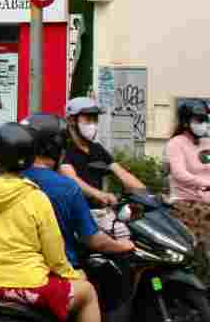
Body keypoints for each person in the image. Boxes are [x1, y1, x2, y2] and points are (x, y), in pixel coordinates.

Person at [0, 121, 102, 322]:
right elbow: (55, 255)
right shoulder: (35, 198)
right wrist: (73, 274)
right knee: (87, 293)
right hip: (25, 287)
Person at [23, 113, 132, 271]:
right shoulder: (66, 187)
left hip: (1, 273)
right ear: (56, 149)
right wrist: (122, 246)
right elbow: (94, 241)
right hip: (57, 271)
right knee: (90, 292)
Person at [63, 96, 147, 226]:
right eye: (88, 119)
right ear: (71, 120)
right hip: (72, 215)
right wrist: (100, 195)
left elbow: (122, 174)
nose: (93, 124)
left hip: (98, 214)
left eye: (95, 119)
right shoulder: (64, 148)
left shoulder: (97, 149)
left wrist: (147, 195)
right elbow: (71, 178)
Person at [165, 98, 210, 240]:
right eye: (199, 120)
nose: (204, 124)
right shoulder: (176, 143)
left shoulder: (207, 142)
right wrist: (205, 183)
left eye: (205, 120)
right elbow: (179, 174)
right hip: (186, 201)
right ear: (185, 122)